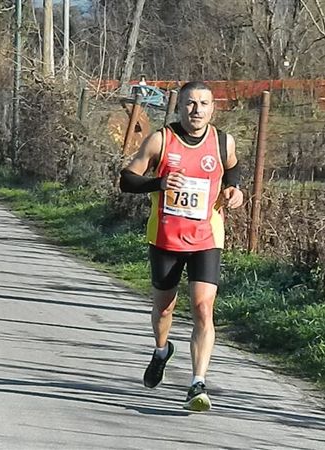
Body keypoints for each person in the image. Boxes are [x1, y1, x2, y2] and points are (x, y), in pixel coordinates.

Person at [120, 81, 243, 412]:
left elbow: (232, 169)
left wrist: (235, 190)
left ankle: (197, 382)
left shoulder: (222, 142)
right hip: (166, 238)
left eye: (203, 103)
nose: (196, 110)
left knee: (203, 307)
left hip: (206, 237)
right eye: (190, 103)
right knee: (164, 307)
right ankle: (161, 350)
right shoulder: (161, 140)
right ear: (180, 107)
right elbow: (126, 179)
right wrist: (157, 183)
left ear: (213, 108)